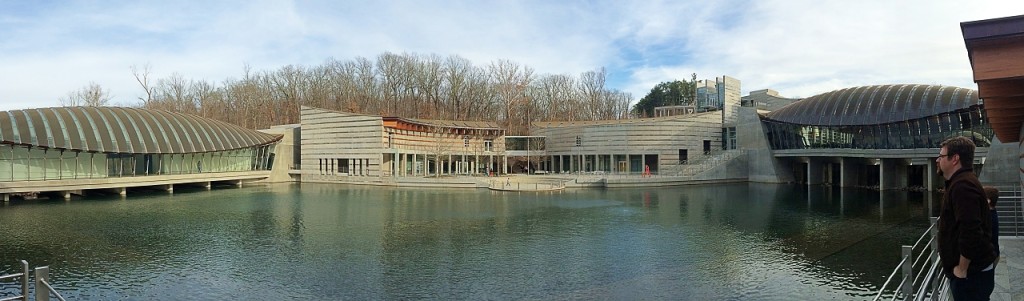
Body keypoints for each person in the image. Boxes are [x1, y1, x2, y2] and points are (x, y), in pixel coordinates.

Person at [936, 136, 997, 300]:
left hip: (970, 276)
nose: (937, 160)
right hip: (974, 274)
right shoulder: (963, 182)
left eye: (941, 156)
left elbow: (971, 231)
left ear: (954, 159)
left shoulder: (962, 186)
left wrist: (962, 269)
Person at [983, 186, 1001, 267]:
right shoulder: (992, 213)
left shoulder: (988, 217)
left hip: (990, 256)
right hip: (994, 254)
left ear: (988, 201)